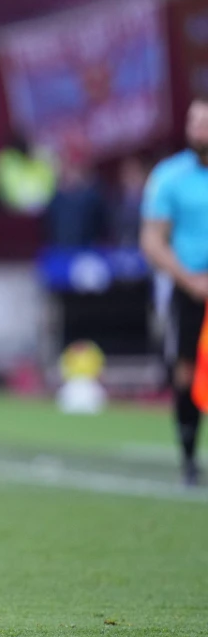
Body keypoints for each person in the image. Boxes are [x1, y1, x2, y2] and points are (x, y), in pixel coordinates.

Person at [140, 99, 208, 486]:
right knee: (187, 369)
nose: (198, 128)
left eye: (205, 122)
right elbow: (152, 239)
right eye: (193, 120)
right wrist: (189, 279)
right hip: (190, 287)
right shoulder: (170, 176)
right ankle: (189, 457)